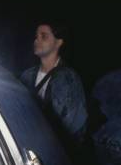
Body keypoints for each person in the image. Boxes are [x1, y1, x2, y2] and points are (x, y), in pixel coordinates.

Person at [20, 21, 88, 150]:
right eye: (36, 36)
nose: (36, 40)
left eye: (43, 36)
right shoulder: (27, 75)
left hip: (54, 151)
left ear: (59, 42)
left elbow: (75, 126)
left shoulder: (68, 78)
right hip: (27, 145)